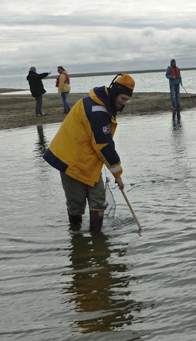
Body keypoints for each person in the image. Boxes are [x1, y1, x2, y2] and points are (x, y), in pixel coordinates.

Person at [43, 73, 135, 232]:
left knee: (98, 200)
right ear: (114, 93)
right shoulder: (97, 110)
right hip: (70, 159)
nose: (125, 103)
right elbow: (104, 145)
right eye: (123, 98)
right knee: (76, 204)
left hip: (88, 159)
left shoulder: (104, 103)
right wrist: (117, 174)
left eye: (127, 99)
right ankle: (76, 235)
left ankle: (97, 242)